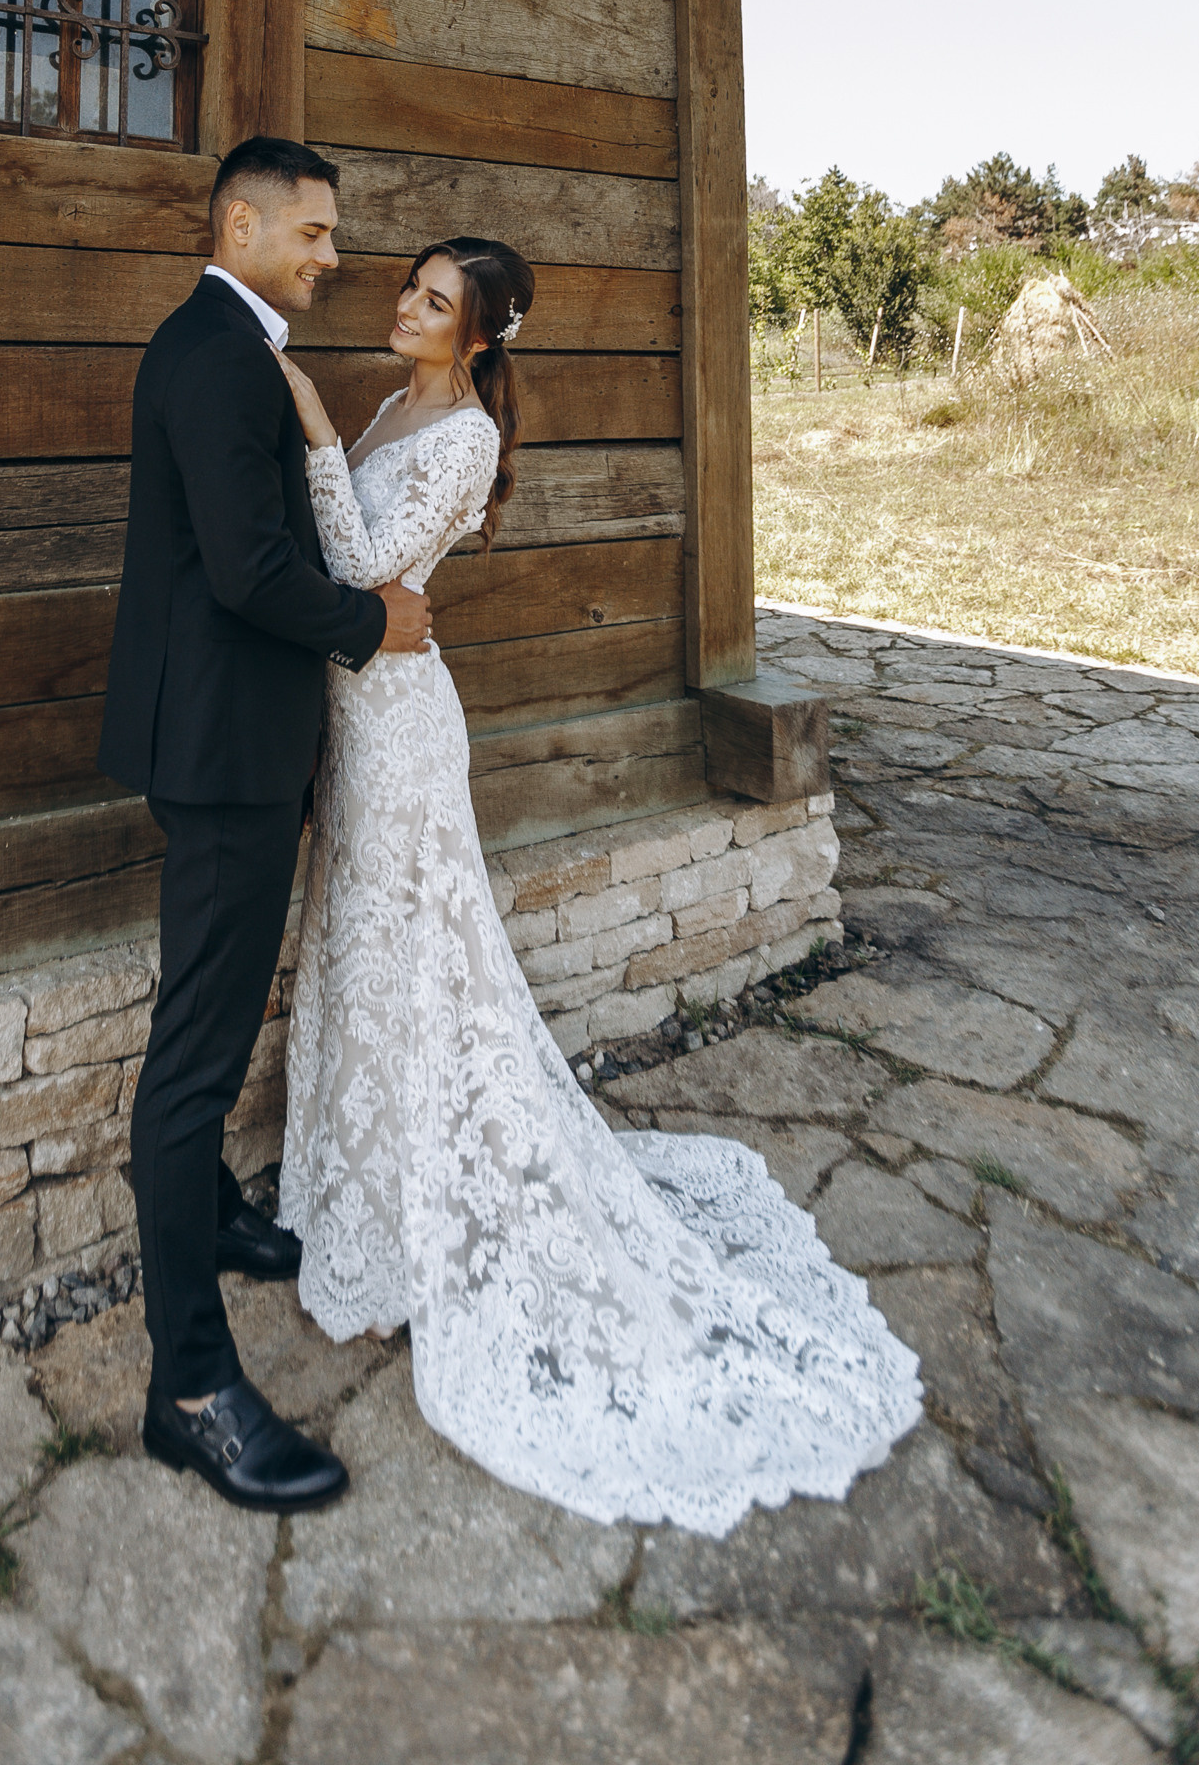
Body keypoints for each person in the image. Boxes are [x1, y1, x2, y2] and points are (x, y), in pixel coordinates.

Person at [272, 234, 924, 1533]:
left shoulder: (459, 437)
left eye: (435, 301)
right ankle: (361, 1204)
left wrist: (296, 422)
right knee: (356, 951)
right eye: (410, 286)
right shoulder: (395, 401)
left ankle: (441, 1225)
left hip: (401, 727)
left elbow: (360, 571)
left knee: (418, 958)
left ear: (479, 335)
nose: (405, 305)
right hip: (348, 718)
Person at [97, 135, 432, 1514]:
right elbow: (245, 572)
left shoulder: (217, 344)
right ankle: (190, 1391)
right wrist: (374, 622)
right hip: (226, 751)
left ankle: (222, 1218)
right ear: (237, 221)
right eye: (312, 230)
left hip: (228, 739)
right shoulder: (221, 356)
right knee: (191, 1066)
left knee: (218, 1012)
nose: (332, 256)